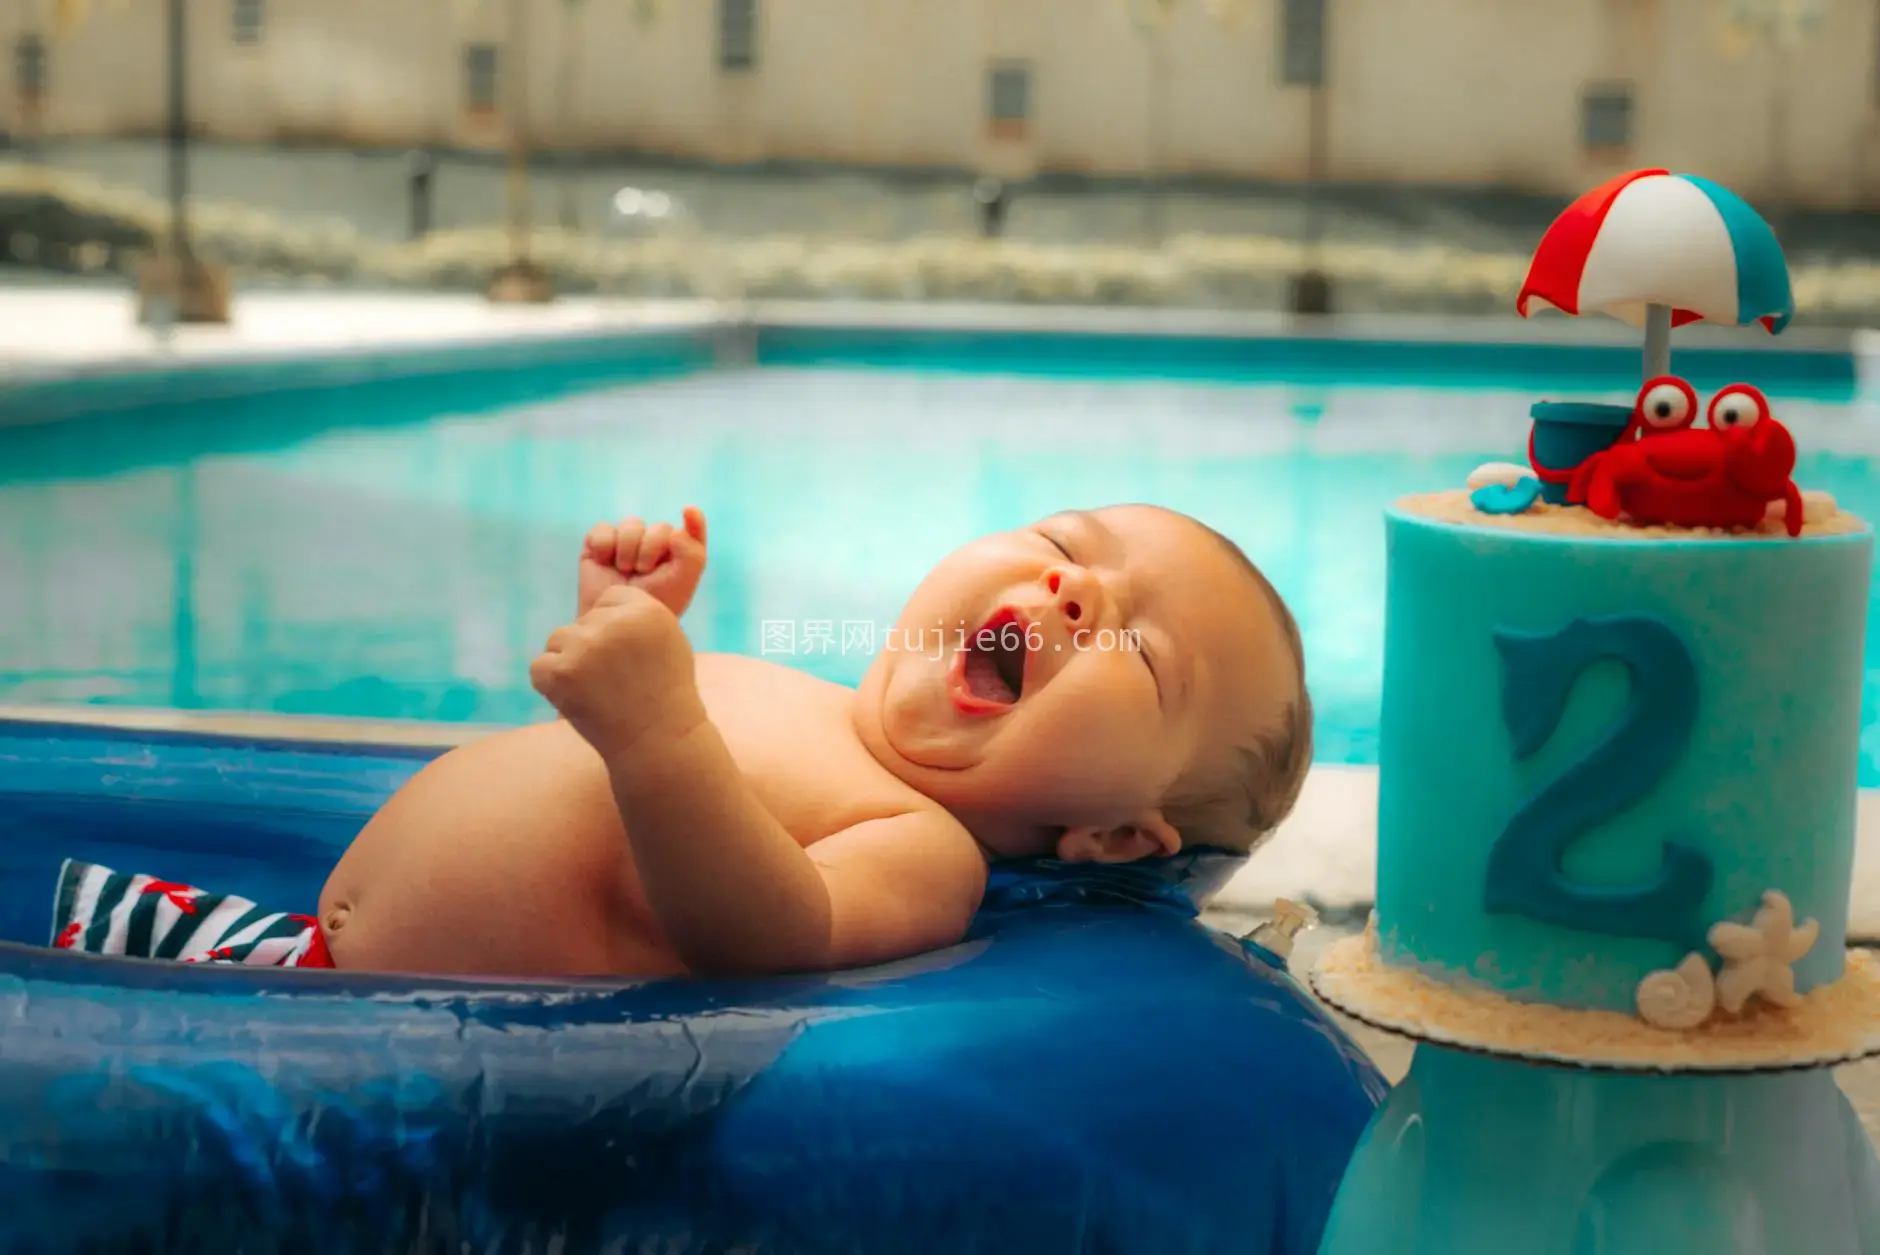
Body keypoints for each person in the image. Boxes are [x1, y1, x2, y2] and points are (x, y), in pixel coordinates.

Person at [49, 504, 1312, 979]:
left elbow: (764, 930)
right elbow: (581, 779)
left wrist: (658, 732)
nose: (1074, 593)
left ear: (1109, 836)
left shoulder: (925, 851)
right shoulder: (794, 693)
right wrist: (628, 634)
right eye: (1061, 545)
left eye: (1140, 654)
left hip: (362, 1048)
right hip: (267, 952)